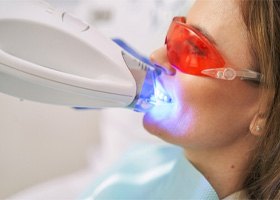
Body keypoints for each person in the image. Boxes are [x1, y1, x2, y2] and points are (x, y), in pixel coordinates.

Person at [82, 0, 280, 199]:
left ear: (266, 107)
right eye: (176, 33)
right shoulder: (139, 164)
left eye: (194, 48)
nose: (156, 56)